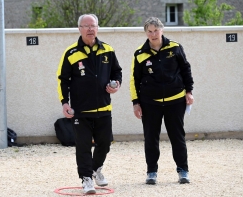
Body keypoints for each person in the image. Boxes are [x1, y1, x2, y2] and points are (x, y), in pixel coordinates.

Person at [56, 14, 122, 194]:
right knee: (83, 146)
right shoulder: (71, 53)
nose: (90, 29)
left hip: (104, 108)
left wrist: (116, 84)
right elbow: (63, 80)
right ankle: (86, 179)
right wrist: (64, 103)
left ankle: (95, 169)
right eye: (86, 26)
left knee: (105, 143)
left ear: (97, 28)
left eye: (93, 26)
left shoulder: (107, 50)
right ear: (79, 29)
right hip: (81, 111)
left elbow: (117, 71)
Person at [130, 17, 194, 184]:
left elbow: (186, 69)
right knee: (151, 138)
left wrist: (189, 91)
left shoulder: (175, 47)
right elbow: (134, 80)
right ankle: (151, 172)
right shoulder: (139, 54)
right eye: (149, 31)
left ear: (162, 30)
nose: (153, 34)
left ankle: (183, 170)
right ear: (146, 33)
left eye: (156, 30)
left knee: (177, 136)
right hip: (150, 103)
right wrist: (135, 102)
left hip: (176, 100)